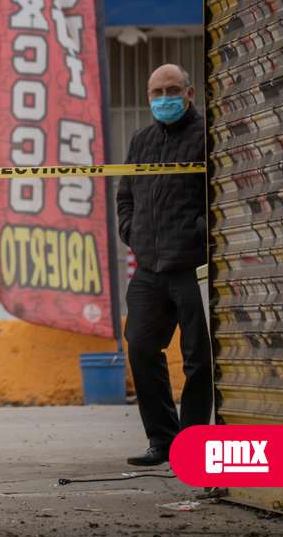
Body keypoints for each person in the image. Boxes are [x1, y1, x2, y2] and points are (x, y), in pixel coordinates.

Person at [116, 63, 211, 467]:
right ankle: (163, 441)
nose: (164, 98)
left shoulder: (208, 135)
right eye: (157, 92)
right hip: (149, 269)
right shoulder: (141, 141)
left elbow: (219, 193)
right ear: (149, 98)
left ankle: (194, 446)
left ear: (189, 94)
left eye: (173, 90)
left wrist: (199, 234)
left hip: (192, 266)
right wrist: (131, 231)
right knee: (139, 346)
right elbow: (126, 194)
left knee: (199, 360)